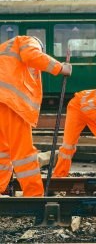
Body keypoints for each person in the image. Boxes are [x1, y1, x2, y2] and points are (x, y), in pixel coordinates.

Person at [0, 35, 72, 196]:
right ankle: (33, 194)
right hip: (10, 103)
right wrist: (60, 68)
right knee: (23, 153)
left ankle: (1, 187)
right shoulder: (26, 41)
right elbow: (31, 56)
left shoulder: (4, 49)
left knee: (2, 150)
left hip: (3, 102)